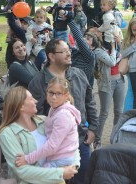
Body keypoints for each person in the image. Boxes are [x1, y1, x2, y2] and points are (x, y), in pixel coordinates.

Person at [28, 39, 99, 184]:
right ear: (51, 56)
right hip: (54, 151)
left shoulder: (78, 74)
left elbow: (90, 102)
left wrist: (93, 129)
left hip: (81, 142)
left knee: (84, 180)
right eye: (64, 51)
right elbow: (33, 116)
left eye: (69, 50)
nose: (69, 53)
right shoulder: (38, 81)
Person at [0, 86, 78, 183]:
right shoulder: (7, 134)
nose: (36, 101)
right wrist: (60, 173)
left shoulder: (44, 120)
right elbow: (22, 171)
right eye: (31, 98)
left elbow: (70, 142)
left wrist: (74, 165)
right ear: (21, 106)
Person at [15, 77, 80, 168]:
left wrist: (27, 159)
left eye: (58, 94)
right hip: (57, 157)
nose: (53, 97)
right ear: (46, 92)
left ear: (66, 95)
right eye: (51, 93)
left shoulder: (63, 115)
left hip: (60, 160)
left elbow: (52, 146)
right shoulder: (54, 109)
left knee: (39, 174)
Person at [88, 30, 125, 149]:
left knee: (119, 111)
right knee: (104, 112)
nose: (112, 39)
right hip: (107, 84)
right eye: (110, 37)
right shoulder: (99, 50)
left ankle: (115, 136)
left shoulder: (117, 46)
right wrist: (114, 48)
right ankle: (97, 140)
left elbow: (124, 54)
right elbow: (111, 62)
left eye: (113, 37)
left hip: (120, 81)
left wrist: (119, 43)